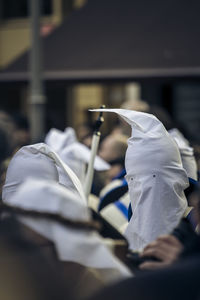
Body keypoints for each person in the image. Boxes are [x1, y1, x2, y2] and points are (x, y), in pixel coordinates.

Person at [90, 108, 189, 251]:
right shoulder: (123, 232)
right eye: (135, 180)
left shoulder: (194, 229)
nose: (149, 186)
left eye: (157, 178)